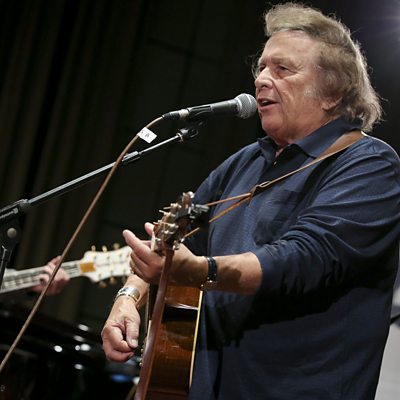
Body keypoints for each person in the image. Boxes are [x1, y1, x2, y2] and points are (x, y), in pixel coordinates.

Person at [101, 3, 400, 399]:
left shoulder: (370, 165)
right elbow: (172, 245)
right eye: (261, 68)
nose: (261, 79)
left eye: (283, 69)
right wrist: (128, 298)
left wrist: (201, 271)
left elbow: (302, 258)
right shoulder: (245, 162)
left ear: (333, 92)